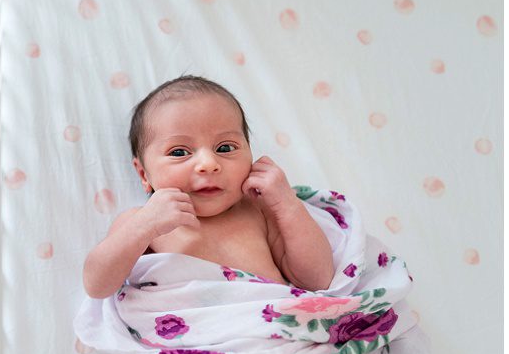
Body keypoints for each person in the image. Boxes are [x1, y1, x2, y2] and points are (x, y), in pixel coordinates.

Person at [83, 75, 334, 299]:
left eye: (225, 148)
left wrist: (286, 204)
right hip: (201, 343)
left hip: (273, 333)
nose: (209, 164)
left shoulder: (259, 211)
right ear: (143, 174)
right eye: (179, 152)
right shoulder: (141, 222)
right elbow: (97, 286)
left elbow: (317, 280)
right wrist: (144, 227)